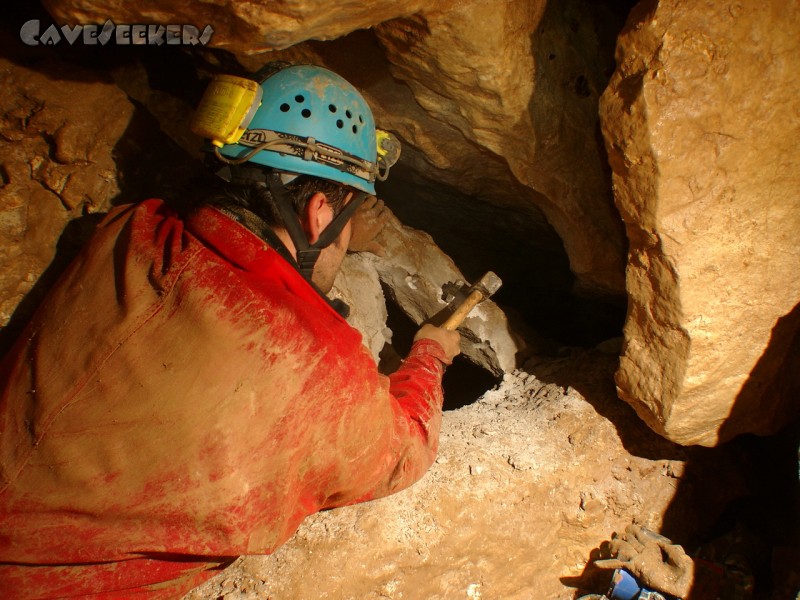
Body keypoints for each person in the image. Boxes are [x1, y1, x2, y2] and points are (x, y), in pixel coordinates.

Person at [0, 64, 461, 598]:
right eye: (348, 215)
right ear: (318, 215)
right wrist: (431, 351)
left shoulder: (130, 231)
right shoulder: (312, 365)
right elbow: (403, 451)